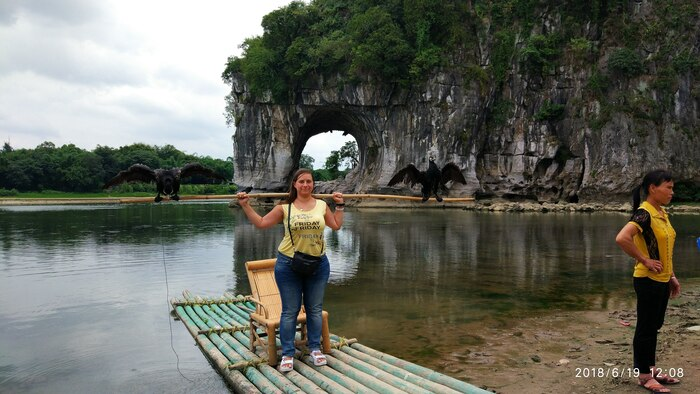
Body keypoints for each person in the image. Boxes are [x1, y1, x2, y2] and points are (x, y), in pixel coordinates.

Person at [236, 169, 344, 372]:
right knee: (290, 311)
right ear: (294, 184)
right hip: (289, 264)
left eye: (309, 182)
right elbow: (261, 223)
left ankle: (314, 348)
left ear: (313, 184)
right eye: (301, 181)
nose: (305, 185)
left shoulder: (321, 205)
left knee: (314, 309)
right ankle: (287, 353)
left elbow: (336, 225)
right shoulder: (285, 208)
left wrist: (339, 205)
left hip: (318, 263)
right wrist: (245, 205)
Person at [615, 169, 681, 393]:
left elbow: (664, 249)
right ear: (653, 188)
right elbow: (622, 238)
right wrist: (644, 259)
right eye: (668, 187)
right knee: (646, 327)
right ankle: (643, 376)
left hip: (661, 280)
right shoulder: (644, 213)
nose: (672, 192)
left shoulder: (661, 213)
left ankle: (650, 368)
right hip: (647, 280)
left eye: (672, 188)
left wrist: (671, 276)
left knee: (654, 326)